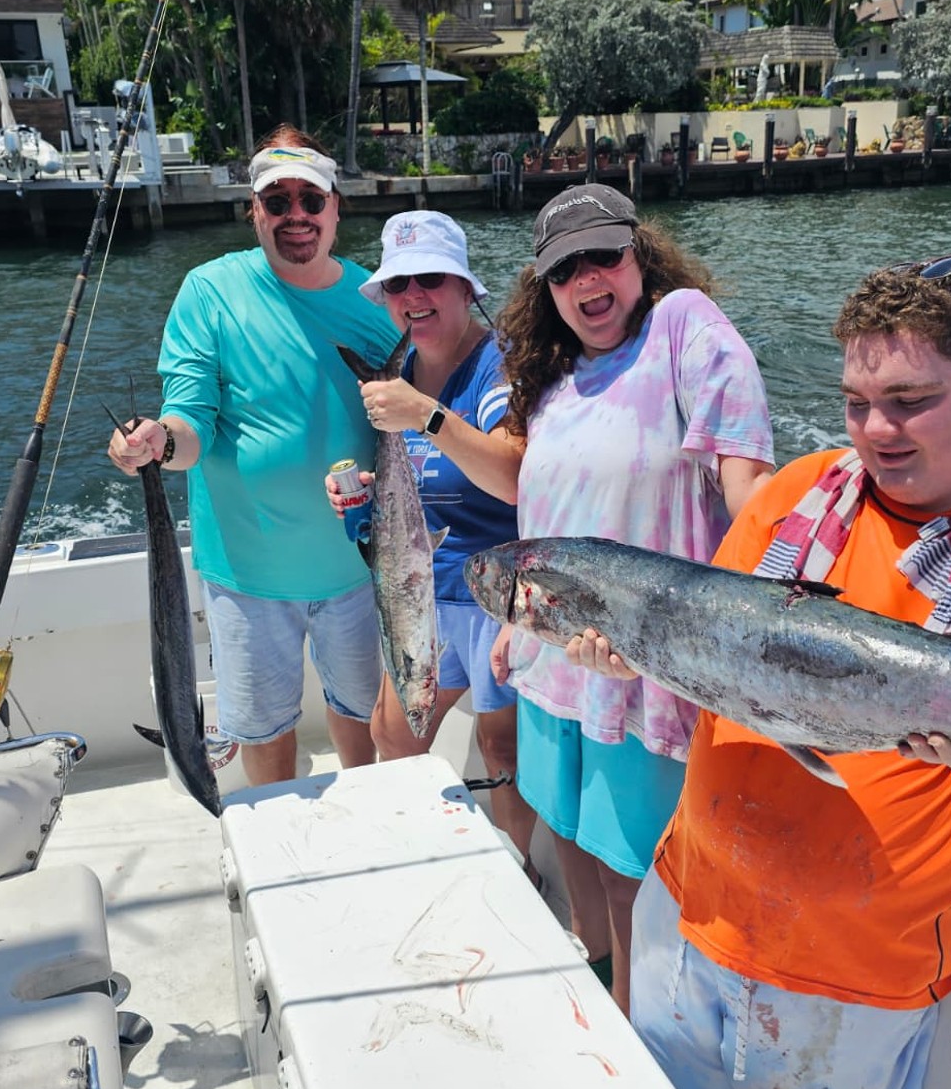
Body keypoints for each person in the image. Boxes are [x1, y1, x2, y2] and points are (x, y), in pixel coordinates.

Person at [607, 255, 951, 1089]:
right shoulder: (797, 493)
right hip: (690, 909)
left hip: (857, 980)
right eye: (856, 403)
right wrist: (628, 648)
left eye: (911, 401)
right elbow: (713, 660)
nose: (875, 430)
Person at [491, 184, 774, 1013]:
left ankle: (633, 1031)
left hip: (646, 667)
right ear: (544, 287)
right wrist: (518, 626)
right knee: (566, 831)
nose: (588, 280)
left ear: (638, 256)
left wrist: (786, 616)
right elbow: (545, 506)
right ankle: (594, 986)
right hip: (554, 657)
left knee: (631, 875)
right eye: (564, 269)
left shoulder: (684, 326)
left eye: (604, 256)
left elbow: (748, 484)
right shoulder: (550, 378)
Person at [107, 125, 399, 786]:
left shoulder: (378, 302)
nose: (296, 215)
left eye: (310, 200)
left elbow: (413, 414)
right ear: (254, 211)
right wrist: (160, 442)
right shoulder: (209, 292)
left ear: (335, 208)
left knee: (364, 717)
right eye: (278, 201)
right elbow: (191, 417)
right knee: (265, 732)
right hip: (245, 575)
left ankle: (367, 820)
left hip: (358, 567)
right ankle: (282, 851)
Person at [328, 210, 538, 874]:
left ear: (463, 287)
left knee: (500, 746)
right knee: (393, 731)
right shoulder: (402, 375)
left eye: (431, 280)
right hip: (419, 584)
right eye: (398, 286)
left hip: (496, 590)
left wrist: (424, 412)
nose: (413, 297)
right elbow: (416, 479)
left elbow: (511, 476)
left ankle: (518, 868)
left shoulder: (501, 365)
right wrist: (360, 495)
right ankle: (413, 859)